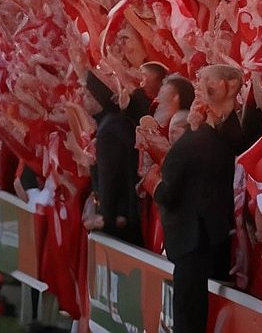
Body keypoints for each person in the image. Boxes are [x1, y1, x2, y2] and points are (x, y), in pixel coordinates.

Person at [154, 65, 245, 333]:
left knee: (188, 312)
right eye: (199, 80)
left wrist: (153, 184)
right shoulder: (207, 132)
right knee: (187, 308)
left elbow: (171, 187)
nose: (200, 86)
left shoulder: (212, 134)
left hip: (197, 236)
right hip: (198, 237)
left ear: (228, 86)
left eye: (207, 81)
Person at [86, 76, 141, 244]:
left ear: (97, 99)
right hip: (125, 211)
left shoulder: (109, 129)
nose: (83, 99)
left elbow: (110, 177)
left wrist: (107, 219)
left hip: (119, 219)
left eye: (87, 95)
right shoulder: (115, 123)